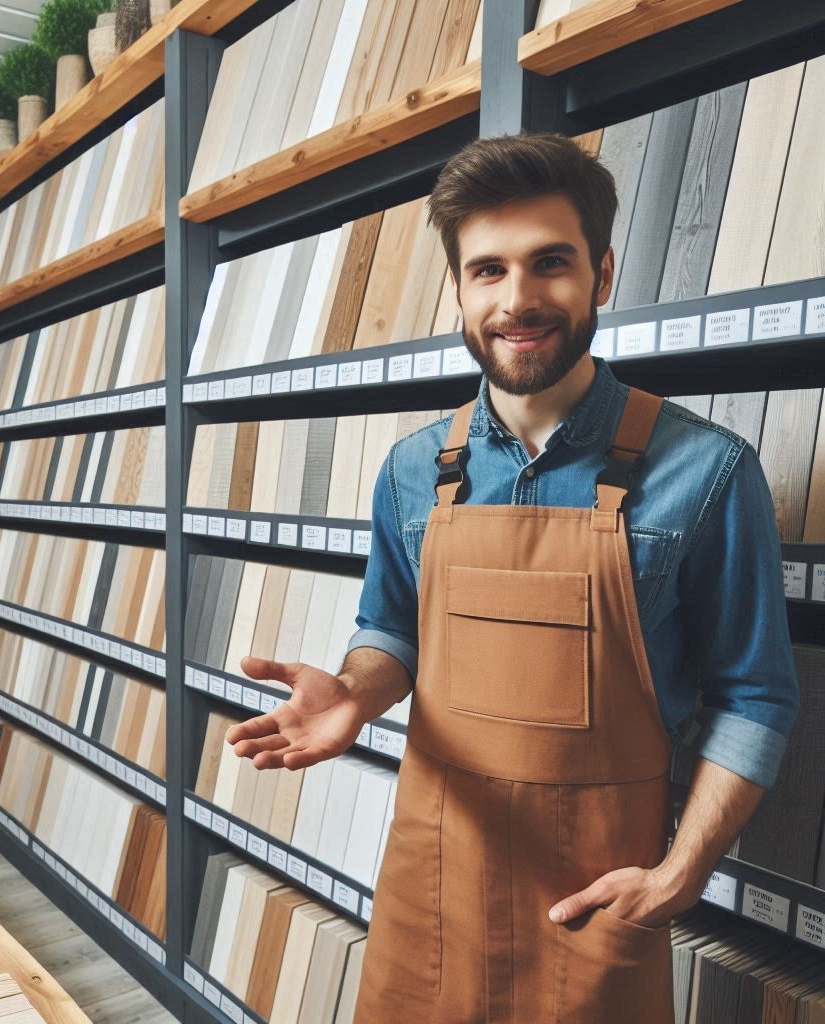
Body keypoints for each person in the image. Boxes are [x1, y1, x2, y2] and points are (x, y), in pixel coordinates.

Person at [225, 133, 799, 1023]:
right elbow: (393, 628)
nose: (518, 299)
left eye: (550, 264)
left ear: (601, 275)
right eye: (487, 270)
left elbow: (754, 695)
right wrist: (358, 692)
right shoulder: (416, 468)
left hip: (598, 895)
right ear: (458, 288)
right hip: (431, 880)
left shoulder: (710, 472)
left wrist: (683, 873)